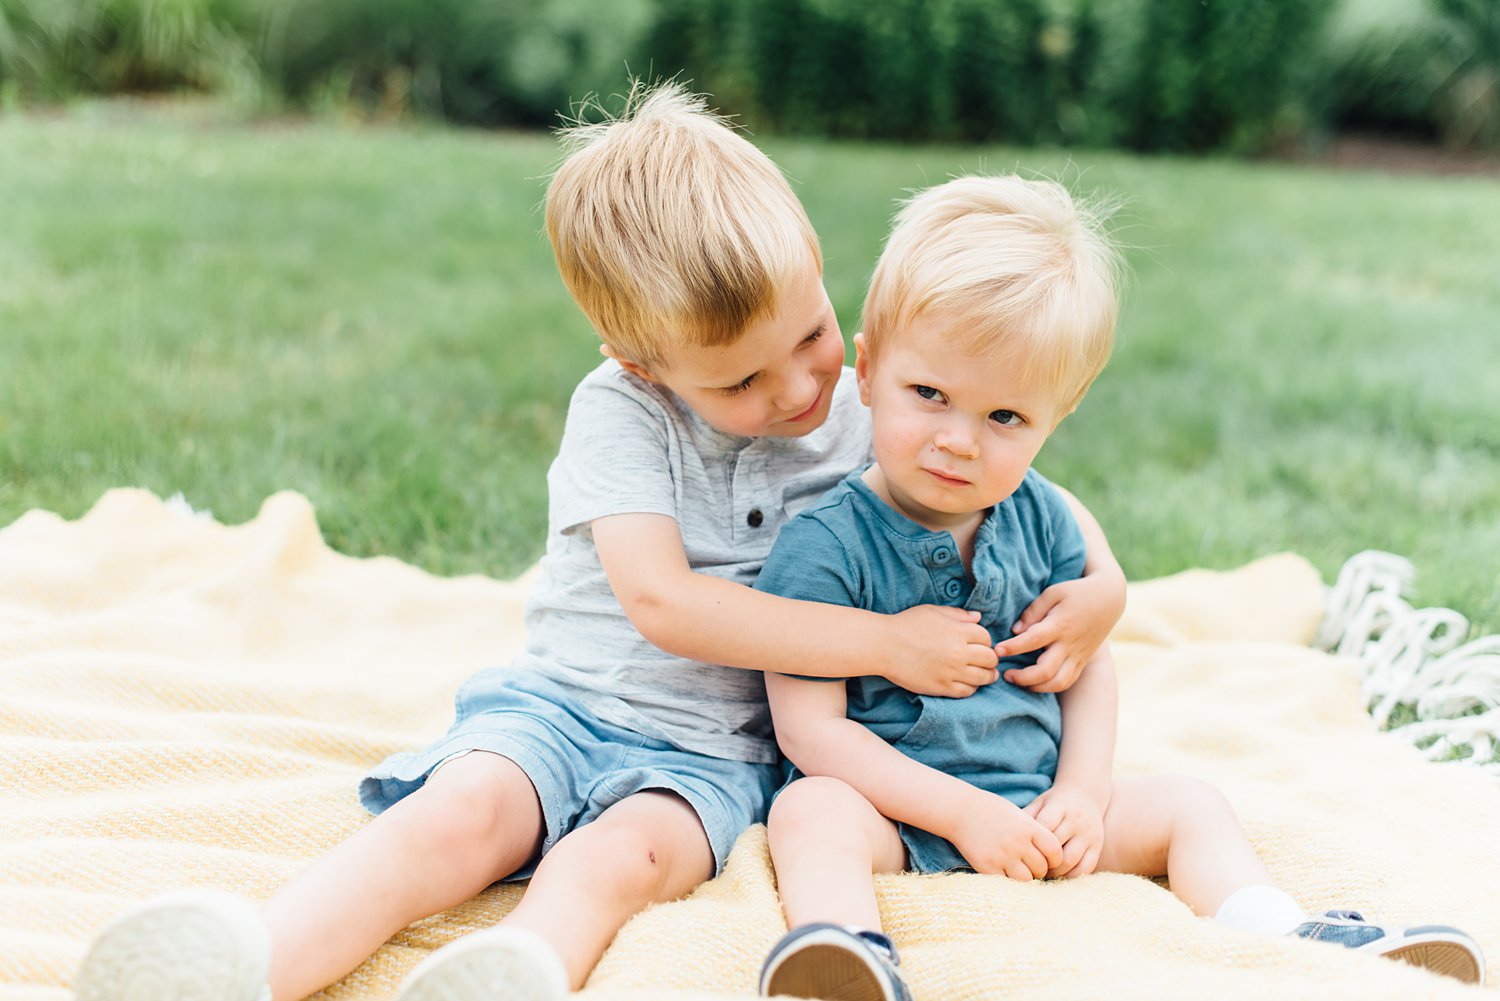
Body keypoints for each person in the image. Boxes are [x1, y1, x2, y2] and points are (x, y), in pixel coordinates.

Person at [70, 87, 1128, 1001]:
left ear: (814, 264)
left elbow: (1032, 492)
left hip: (712, 759)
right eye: (739, 381)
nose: (799, 390)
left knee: (619, 858)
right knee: (462, 814)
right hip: (567, 704)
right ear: (639, 360)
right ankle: (251, 955)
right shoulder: (620, 417)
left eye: (809, 336)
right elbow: (663, 602)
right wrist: (885, 645)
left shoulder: (868, 403)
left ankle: (520, 964)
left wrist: (1109, 590)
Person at [753, 174, 1487, 1001]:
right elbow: (812, 732)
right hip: (900, 812)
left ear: (1056, 416)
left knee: (1190, 802)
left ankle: (1283, 931)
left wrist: (1082, 793)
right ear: (868, 370)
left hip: (1041, 809)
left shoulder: (1043, 521)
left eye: (1006, 418)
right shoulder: (826, 546)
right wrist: (960, 814)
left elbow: (1089, 662)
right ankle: (849, 957)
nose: (958, 441)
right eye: (930, 395)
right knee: (810, 811)